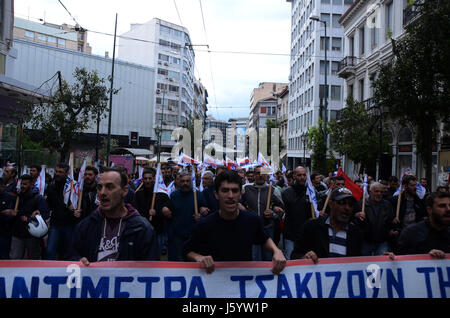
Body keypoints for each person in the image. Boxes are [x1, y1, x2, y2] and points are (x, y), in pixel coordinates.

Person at [183, 170, 286, 275]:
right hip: (214, 284)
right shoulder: (205, 225)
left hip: (243, 283)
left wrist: (276, 251)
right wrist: (198, 257)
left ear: (240, 194)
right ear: (216, 194)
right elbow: (187, 250)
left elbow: (264, 239)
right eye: (225, 190)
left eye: (235, 190)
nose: (230, 195)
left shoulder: (252, 221)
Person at [70, 167, 159, 264]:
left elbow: (151, 267)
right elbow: (72, 256)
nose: (103, 193)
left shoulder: (142, 229)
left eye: (110, 187)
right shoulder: (86, 225)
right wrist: (78, 261)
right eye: (99, 187)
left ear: (125, 191)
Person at [291, 187, 364, 262]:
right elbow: (295, 255)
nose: (347, 208)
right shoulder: (312, 227)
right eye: (342, 203)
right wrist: (304, 257)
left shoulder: (356, 233)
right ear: (331, 204)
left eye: (351, 204)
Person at [240, 165, 284, 261]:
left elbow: (282, 210)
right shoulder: (245, 189)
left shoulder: (273, 190)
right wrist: (243, 210)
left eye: (262, 173)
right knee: (254, 256)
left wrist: (273, 213)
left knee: (267, 256)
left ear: (266, 175)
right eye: (257, 173)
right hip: (251, 228)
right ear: (254, 175)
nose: (260, 175)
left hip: (268, 227)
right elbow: (238, 204)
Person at [163, 170, 209, 261]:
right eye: (183, 181)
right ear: (179, 182)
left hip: (192, 234)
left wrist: (202, 214)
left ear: (191, 182)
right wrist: (164, 209)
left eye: (187, 181)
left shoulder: (198, 195)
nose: (185, 183)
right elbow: (168, 209)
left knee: (191, 260)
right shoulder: (174, 195)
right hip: (177, 234)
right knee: (177, 260)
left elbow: (204, 209)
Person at [396, 191, 449, 258]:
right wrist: (426, 257)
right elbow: (401, 261)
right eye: (442, 206)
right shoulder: (411, 233)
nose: (448, 209)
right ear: (429, 210)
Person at [132, 167, 172, 257]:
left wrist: (157, 213)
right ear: (142, 180)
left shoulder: (162, 194)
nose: (148, 181)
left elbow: (167, 212)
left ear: (154, 179)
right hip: (142, 231)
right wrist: (146, 214)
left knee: (155, 257)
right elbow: (135, 211)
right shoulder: (138, 194)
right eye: (145, 178)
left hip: (157, 231)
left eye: (150, 178)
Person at [9, 174, 49, 260]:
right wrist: (11, 213)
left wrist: (32, 217)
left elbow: (45, 214)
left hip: (32, 234)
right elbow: (12, 211)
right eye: (21, 184)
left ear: (31, 184)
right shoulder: (17, 197)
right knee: (15, 257)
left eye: (25, 184)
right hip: (17, 232)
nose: (22, 186)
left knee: (34, 258)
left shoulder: (38, 198)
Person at [45, 163, 78, 260]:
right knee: (50, 251)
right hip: (55, 224)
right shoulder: (51, 187)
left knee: (68, 251)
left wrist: (74, 207)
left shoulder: (74, 187)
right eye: (56, 171)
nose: (57, 174)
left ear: (67, 173)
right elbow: (49, 205)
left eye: (60, 172)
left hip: (70, 225)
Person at [281, 166, 312, 259]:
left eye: (304, 175)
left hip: (305, 235)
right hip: (290, 234)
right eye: (299, 175)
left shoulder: (310, 192)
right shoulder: (287, 192)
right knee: (290, 261)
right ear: (294, 176)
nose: (302, 177)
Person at [357, 182, 396, 256]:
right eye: (376, 191)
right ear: (370, 192)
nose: (379, 194)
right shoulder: (361, 204)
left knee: (381, 263)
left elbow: (391, 221)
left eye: (381, 192)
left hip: (382, 242)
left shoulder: (387, 205)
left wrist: (393, 229)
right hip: (366, 242)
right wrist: (356, 216)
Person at [0, 179, 16, 259]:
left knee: (4, 256)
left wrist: (11, 214)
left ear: (3, 186)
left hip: (5, 232)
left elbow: (14, 213)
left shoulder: (11, 197)